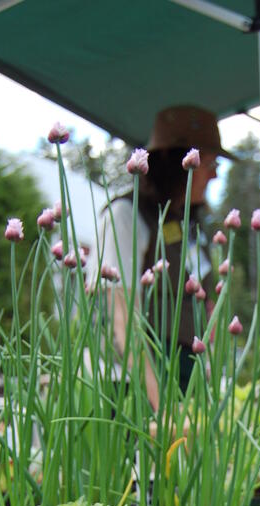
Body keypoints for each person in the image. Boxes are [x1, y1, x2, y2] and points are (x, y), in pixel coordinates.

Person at [93, 105, 232, 403]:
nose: (216, 175)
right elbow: (121, 318)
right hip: (136, 384)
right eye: (210, 163)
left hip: (183, 374)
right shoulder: (127, 216)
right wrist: (162, 405)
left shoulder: (188, 227)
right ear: (178, 163)